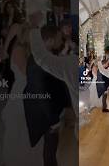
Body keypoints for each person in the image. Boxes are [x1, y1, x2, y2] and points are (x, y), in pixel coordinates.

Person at [23, 25, 72, 166]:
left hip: (47, 107)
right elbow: (41, 94)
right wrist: (53, 120)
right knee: (50, 147)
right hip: (44, 112)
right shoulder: (39, 64)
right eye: (58, 39)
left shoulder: (42, 57)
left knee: (51, 146)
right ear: (50, 41)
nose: (60, 41)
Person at [1, 24, 44, 166]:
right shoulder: (19, 50)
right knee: (20, 126)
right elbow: (27, 72)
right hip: (21, 91)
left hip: (29, 89)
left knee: (28, 127)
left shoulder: (29, 50)